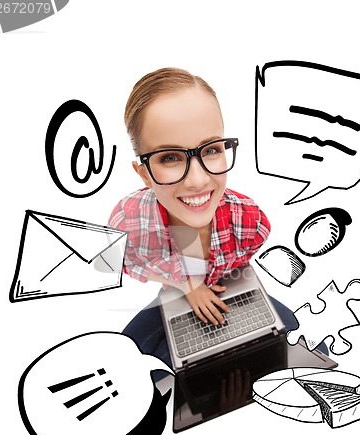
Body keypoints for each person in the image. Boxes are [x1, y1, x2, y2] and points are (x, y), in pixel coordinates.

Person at [109, 67, 327, 368]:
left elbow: (234, 264)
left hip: (230, 285)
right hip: (174, 293)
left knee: (294, 338)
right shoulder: (131, 222)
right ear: (143, 173)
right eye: (170, 157)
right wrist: (188, 285)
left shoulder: (247, 219)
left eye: (211, 150)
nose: (198, 180)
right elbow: (128, 263)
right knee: (128, 357)